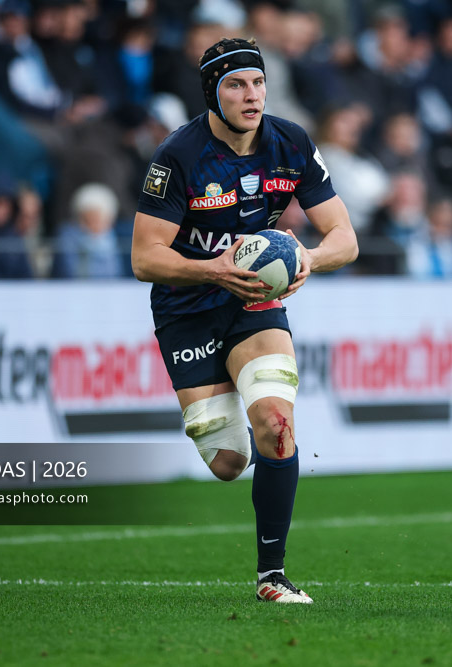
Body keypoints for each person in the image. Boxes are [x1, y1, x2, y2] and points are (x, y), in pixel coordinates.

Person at [131, 37, 357, 603]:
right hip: (187, 307)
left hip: (256, 302)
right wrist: (213, 270)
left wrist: (307, 258)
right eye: (235, 85)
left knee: (277, 427)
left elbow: (344, 239)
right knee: (230, 462)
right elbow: (144, 258)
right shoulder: (178, 156)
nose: (251, 95)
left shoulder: (291, 143)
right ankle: (226, 407)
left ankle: (272, 576)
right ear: (213, 92)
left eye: (257, 82)